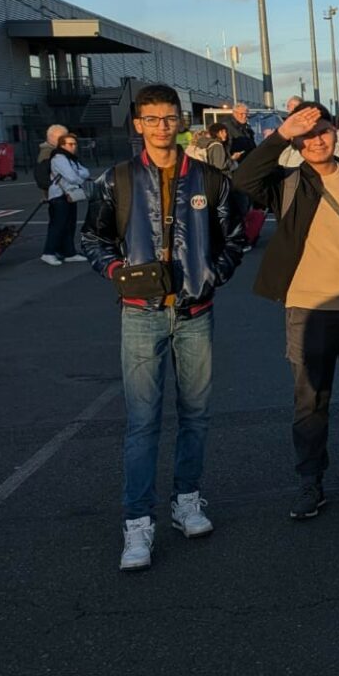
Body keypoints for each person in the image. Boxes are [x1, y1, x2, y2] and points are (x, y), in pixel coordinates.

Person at [80, 84, 247, 571]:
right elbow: (92, 237)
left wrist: (211, 276)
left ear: (182, 122)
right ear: (138, 124)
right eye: (151, 119)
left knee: (195, 414)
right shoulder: (117, 179)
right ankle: (137, 521)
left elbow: (235, 236)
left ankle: (186, 499)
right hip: (140, 313)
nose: (161, 127)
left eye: (169, 118)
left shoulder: (210, 178)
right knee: (142, 421)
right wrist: (118, 272)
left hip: (196, 311)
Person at [232, 102, 339, 519]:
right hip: (307, 308)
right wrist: (281, 135)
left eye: (322, 131)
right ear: (295, 142)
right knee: (310, 400)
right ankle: (310, 480)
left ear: (335, 133)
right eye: (305, 135)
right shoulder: (286, 184)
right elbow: (244, 178)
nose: (316, 141)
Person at [42, 133, 91, 266]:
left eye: (75, 144)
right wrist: (79, 175)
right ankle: (48, 253)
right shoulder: (59, 158)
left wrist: (77, 174)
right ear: (62, 145)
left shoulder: (71, 159)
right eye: (70, 144)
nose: (73, 146)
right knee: (58, 225)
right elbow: (72, 177)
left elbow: (86, 171)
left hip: (69, 194)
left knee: (69, 225)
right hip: (59, 195)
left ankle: (69, 253)